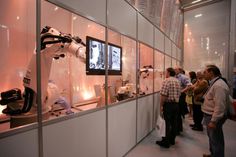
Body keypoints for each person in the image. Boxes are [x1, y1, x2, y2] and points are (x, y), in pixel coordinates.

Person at [202, 65, 229, 157]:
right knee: (212, 138)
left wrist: (214, 120)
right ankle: (213, 154)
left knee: (216, 139)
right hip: (210, 115)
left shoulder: (219, 85)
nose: (203, 74)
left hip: (212, 116)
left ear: (211, 73)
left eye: (205, 72)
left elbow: (220, 105)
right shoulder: (215, 83)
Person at [156, 67, 181, 148]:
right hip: (176, 105)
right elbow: (179, 93)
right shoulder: (177, 81)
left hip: (168, 105)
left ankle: (166, 141)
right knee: (174, 123)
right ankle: (172, 140)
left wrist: (161, 106)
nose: (165, 74)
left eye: (166, 72)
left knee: (166, 123)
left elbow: (163, 95)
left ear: (169, 73)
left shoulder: (166, 81)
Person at [175, 67, 191, 133]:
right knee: (176, 113)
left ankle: (178, 129)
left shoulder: (183, 77)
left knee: (178, 112)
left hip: (181, 96)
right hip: (176, 96)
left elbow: (189, 86)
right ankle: (177, 128)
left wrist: (182, 91)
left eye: (176, 69)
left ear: (180, 70)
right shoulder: (174, 77)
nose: (174, 70)